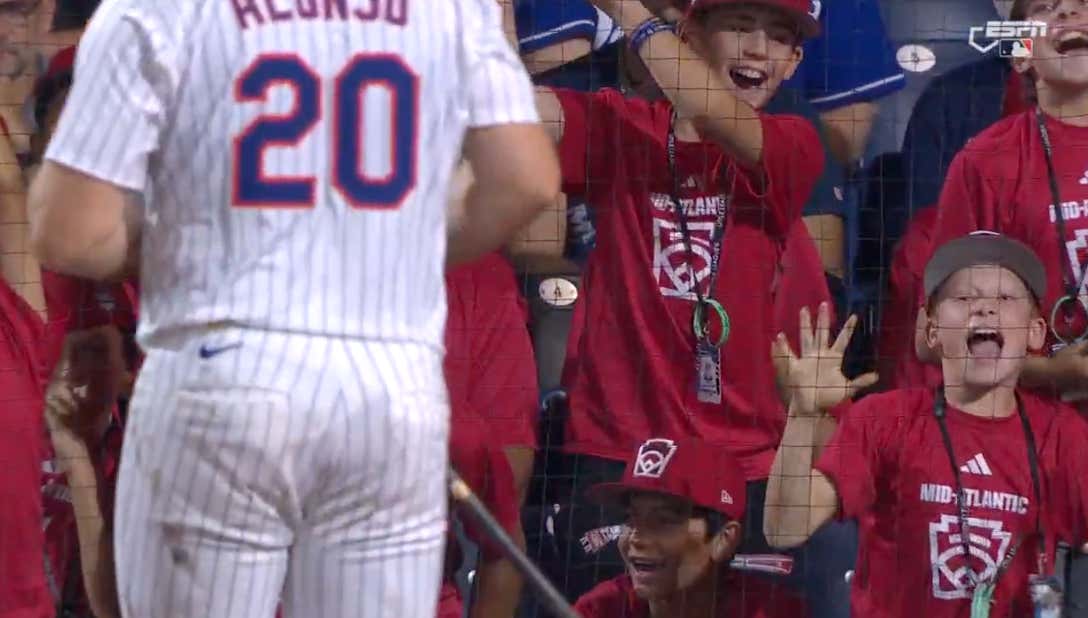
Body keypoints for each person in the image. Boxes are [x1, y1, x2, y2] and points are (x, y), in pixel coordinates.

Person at [26, 2, 560, 618]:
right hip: (386, 387)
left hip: (222, 374)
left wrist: (207, 249)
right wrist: (379, 252)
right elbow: (527, 181)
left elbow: (69, 232)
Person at [532, 0, 824, 601]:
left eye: (779, 38)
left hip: (744, 466)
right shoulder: (620, 127)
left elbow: (712, 110)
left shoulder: (795, 144)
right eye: (740, 27)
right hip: (618, 457)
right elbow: (510, 112)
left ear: (795, 62)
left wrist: (633, 17)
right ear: (691, 34)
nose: (758, 50)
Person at [764, 232, 1088, 617]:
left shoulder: (1063, 435)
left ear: (1035, 332)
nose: (984, 308)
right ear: (931, 331)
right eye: (964, 298)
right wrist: (803, 414)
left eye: (1005, 298)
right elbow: (785, 527)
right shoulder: (884, 419)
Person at [928, 0, 1088, 405]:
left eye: (1083, 4)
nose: (1068, 15)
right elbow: (931, 338)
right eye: (1046, 7)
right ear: (1020, 54)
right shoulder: (985, 161)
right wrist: (1049, 372)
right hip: (1042, 422)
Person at [574, 437, 806, 617]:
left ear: (724, 539)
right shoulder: (602, 609)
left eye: (662, 521)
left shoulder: (771, 612)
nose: (636, 538)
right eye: (630, 519)